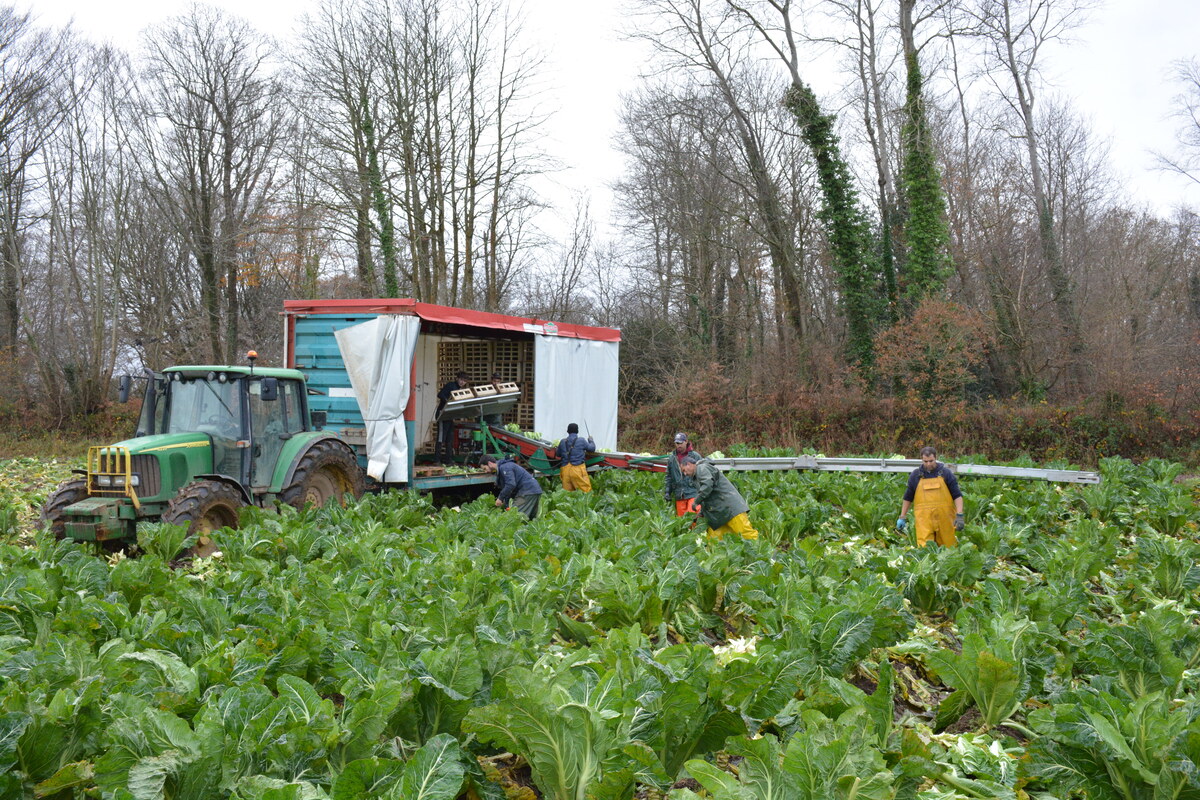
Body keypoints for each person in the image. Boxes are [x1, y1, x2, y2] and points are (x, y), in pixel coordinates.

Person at [896, 446, 964, 547]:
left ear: (935, 458)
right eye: (925, 461)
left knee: (949, 549)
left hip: (944, 519)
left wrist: (959, 515)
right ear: (921, 460)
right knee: (925, 549)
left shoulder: (946, 473)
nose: (928, 464)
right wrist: (902, 516)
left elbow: (957, 495)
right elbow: (908, 497)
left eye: (931, 461)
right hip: (924, 520)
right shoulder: (915, 475)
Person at [682, 457, 759, 540]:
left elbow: (707, 485)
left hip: (730, 508)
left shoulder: (701, 468)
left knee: (746, 534)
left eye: (684, 470)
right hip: (719, 513)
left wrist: (696, 501)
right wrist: (702, 512)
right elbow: (708, 496)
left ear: (689, 464)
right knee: (714, 541)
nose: (685, 474)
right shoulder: (696, 476)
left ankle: (763, 552)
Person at [481, 454, 542, 519]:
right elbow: (508, 489)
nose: (485, 471)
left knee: (515, 519)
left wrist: (500, 498)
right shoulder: (503, 468)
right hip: (533, 490)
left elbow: (510, 485)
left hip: (527, 491)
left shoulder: (505, 468)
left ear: (489, 463)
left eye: (485, 468)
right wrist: (506, 505)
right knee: (530, 519)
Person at [435, 371, 469, 465]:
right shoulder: (451, 385)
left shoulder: (460, 390)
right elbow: (440, 394)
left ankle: (449, 460)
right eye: (461, 379)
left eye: (464, 381)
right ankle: (437, 460)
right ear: (457, 378)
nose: (462, 382)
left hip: (450, 416)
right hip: (442, 414)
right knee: (441, 438)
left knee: (449, 439)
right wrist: (447, 402)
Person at [664, 432, 701, 515]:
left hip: (693, 492)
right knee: (682, 521)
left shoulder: (695, 456)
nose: (679, 445)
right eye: (677, 443)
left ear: (686, 442)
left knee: (694, 516)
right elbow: (669, 476)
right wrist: (667, 492)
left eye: (681, 443)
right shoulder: (672, 458)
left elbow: (702, 473)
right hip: (679, 494)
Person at [555, 423, 596, 492]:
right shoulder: (581, 440)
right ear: (577, 431)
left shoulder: (562, 441)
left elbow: (558, 454)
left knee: (567, 496)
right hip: (577, 469)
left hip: (565, 470)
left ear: (567, 431)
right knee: (585, 493)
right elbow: (592, 448)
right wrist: (591, 440)